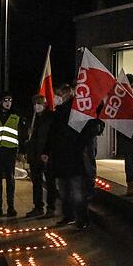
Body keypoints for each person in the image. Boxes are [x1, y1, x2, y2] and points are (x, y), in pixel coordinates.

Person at [42, 84, 95, 229]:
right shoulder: (58, 112)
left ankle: (82, 219)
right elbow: (52, 134)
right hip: (60, 157)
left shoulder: (77, 112)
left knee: (77, 191)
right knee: (64, 191)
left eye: (58, 94)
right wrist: (46, 151)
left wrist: (78, 148)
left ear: (65, 95)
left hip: (74, 158)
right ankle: (69, 216)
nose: (56, 98)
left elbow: (86, 133)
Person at [0, 91, 26, 218]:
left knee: (10, 179)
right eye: (6, 100)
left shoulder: (16, 115)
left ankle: (11, 207)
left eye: (10, 100)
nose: (8, 103)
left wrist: (22, 150)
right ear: (0, 101)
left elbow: (21, 134)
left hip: (10, 151)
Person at [25, 95, 57, 217]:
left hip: (46, 155)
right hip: (34, 155)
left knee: (50, 182)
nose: (36, 106)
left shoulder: (50, 117)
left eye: (39, 103)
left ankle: (51, 207)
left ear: (45, 104)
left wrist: (48, 153)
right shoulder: (32, 118)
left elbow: (51, 137)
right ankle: (38, 207)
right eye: (34, 103)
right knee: (36, 182)